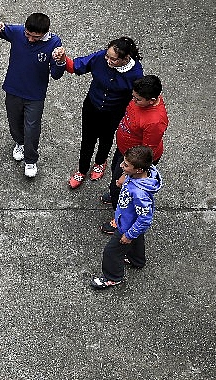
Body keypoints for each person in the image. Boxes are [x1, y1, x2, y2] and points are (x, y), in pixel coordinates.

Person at [53, 37, 144, 188]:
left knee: (106, 138)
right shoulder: (100, 57)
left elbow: (137, 98)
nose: (108, 60)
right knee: (87, 139)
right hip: (92, 105)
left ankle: (100, 162)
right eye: (107, 56)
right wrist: (63, 58)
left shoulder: (136, 74)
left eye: (113, 59)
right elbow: (75, 66)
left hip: (114, 111)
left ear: (126, 58)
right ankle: (82, 170)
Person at [0, 13, 65, 178]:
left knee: (32, 127)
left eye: (35, 37)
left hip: (35, 95)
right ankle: (19, 143)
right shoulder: (17, 32)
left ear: (45, 33)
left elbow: (57, 74)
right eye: (27, 34)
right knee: (14, 122)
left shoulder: (54, 43)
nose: (30, 39)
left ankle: (30, 160)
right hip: (13, 88)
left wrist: (60, 61)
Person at [100, 75, 169, 234]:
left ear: (151, 100)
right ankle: (115, 194)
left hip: (134, 161)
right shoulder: (143, 97)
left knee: (122, 189)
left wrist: (127, 175)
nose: (133, 100)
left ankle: (121, 219)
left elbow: (145, 155)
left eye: (137, 99)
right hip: (125, 152)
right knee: (115, 179)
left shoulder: (155, 122)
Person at [90, 145, 162, 289]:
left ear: (139, 170)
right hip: (130, 222)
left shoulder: (140, 194)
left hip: (126, 226)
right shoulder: (143, 171)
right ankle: (137, 260)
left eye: (126, 165)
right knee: (137, 239)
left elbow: (145, 219)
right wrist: (125, 178)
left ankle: (113, 277)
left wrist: (129, 234)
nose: (122, 166)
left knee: (111, 252)